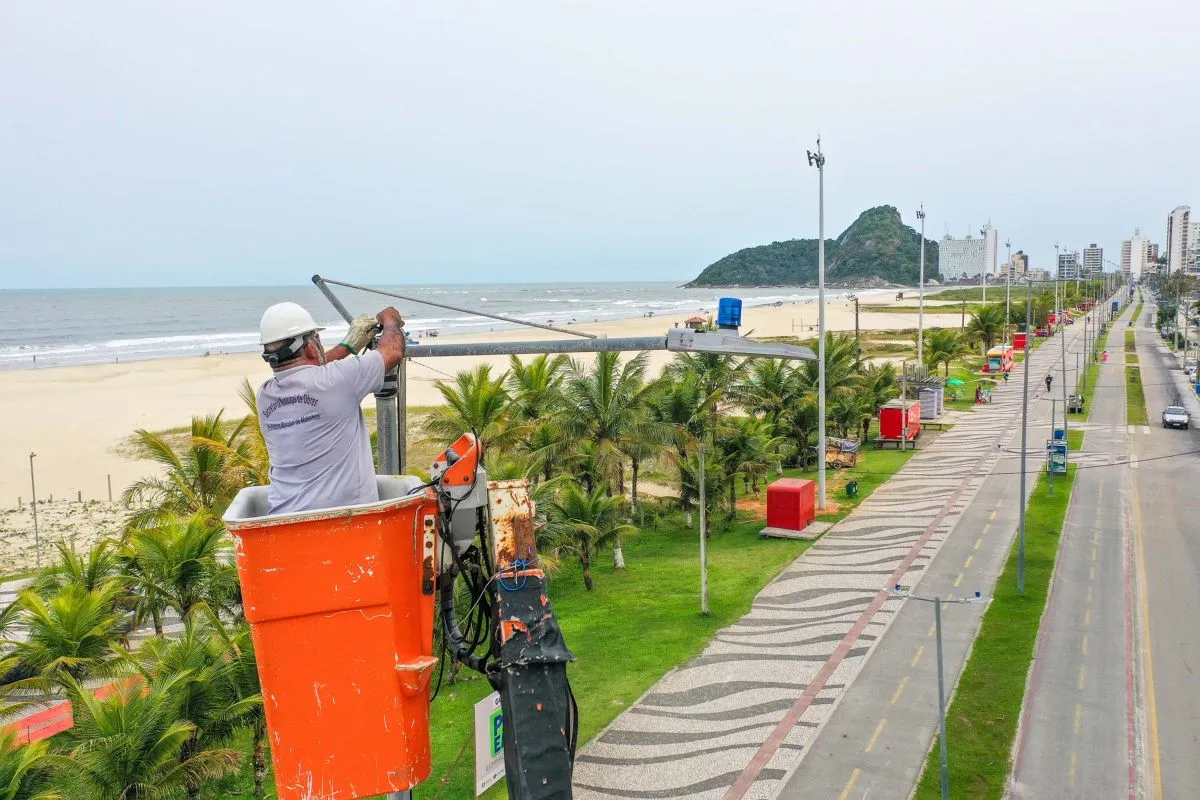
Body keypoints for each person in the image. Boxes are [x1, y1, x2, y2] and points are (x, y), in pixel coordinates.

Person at [256, 302, 407, 515]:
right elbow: (392, 351)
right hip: (345, 520)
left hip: (284, 521)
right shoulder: (337, 380)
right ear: (310, 347)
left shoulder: (265, 395)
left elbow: (306, 371)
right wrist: (390, 321)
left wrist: (347, 347)